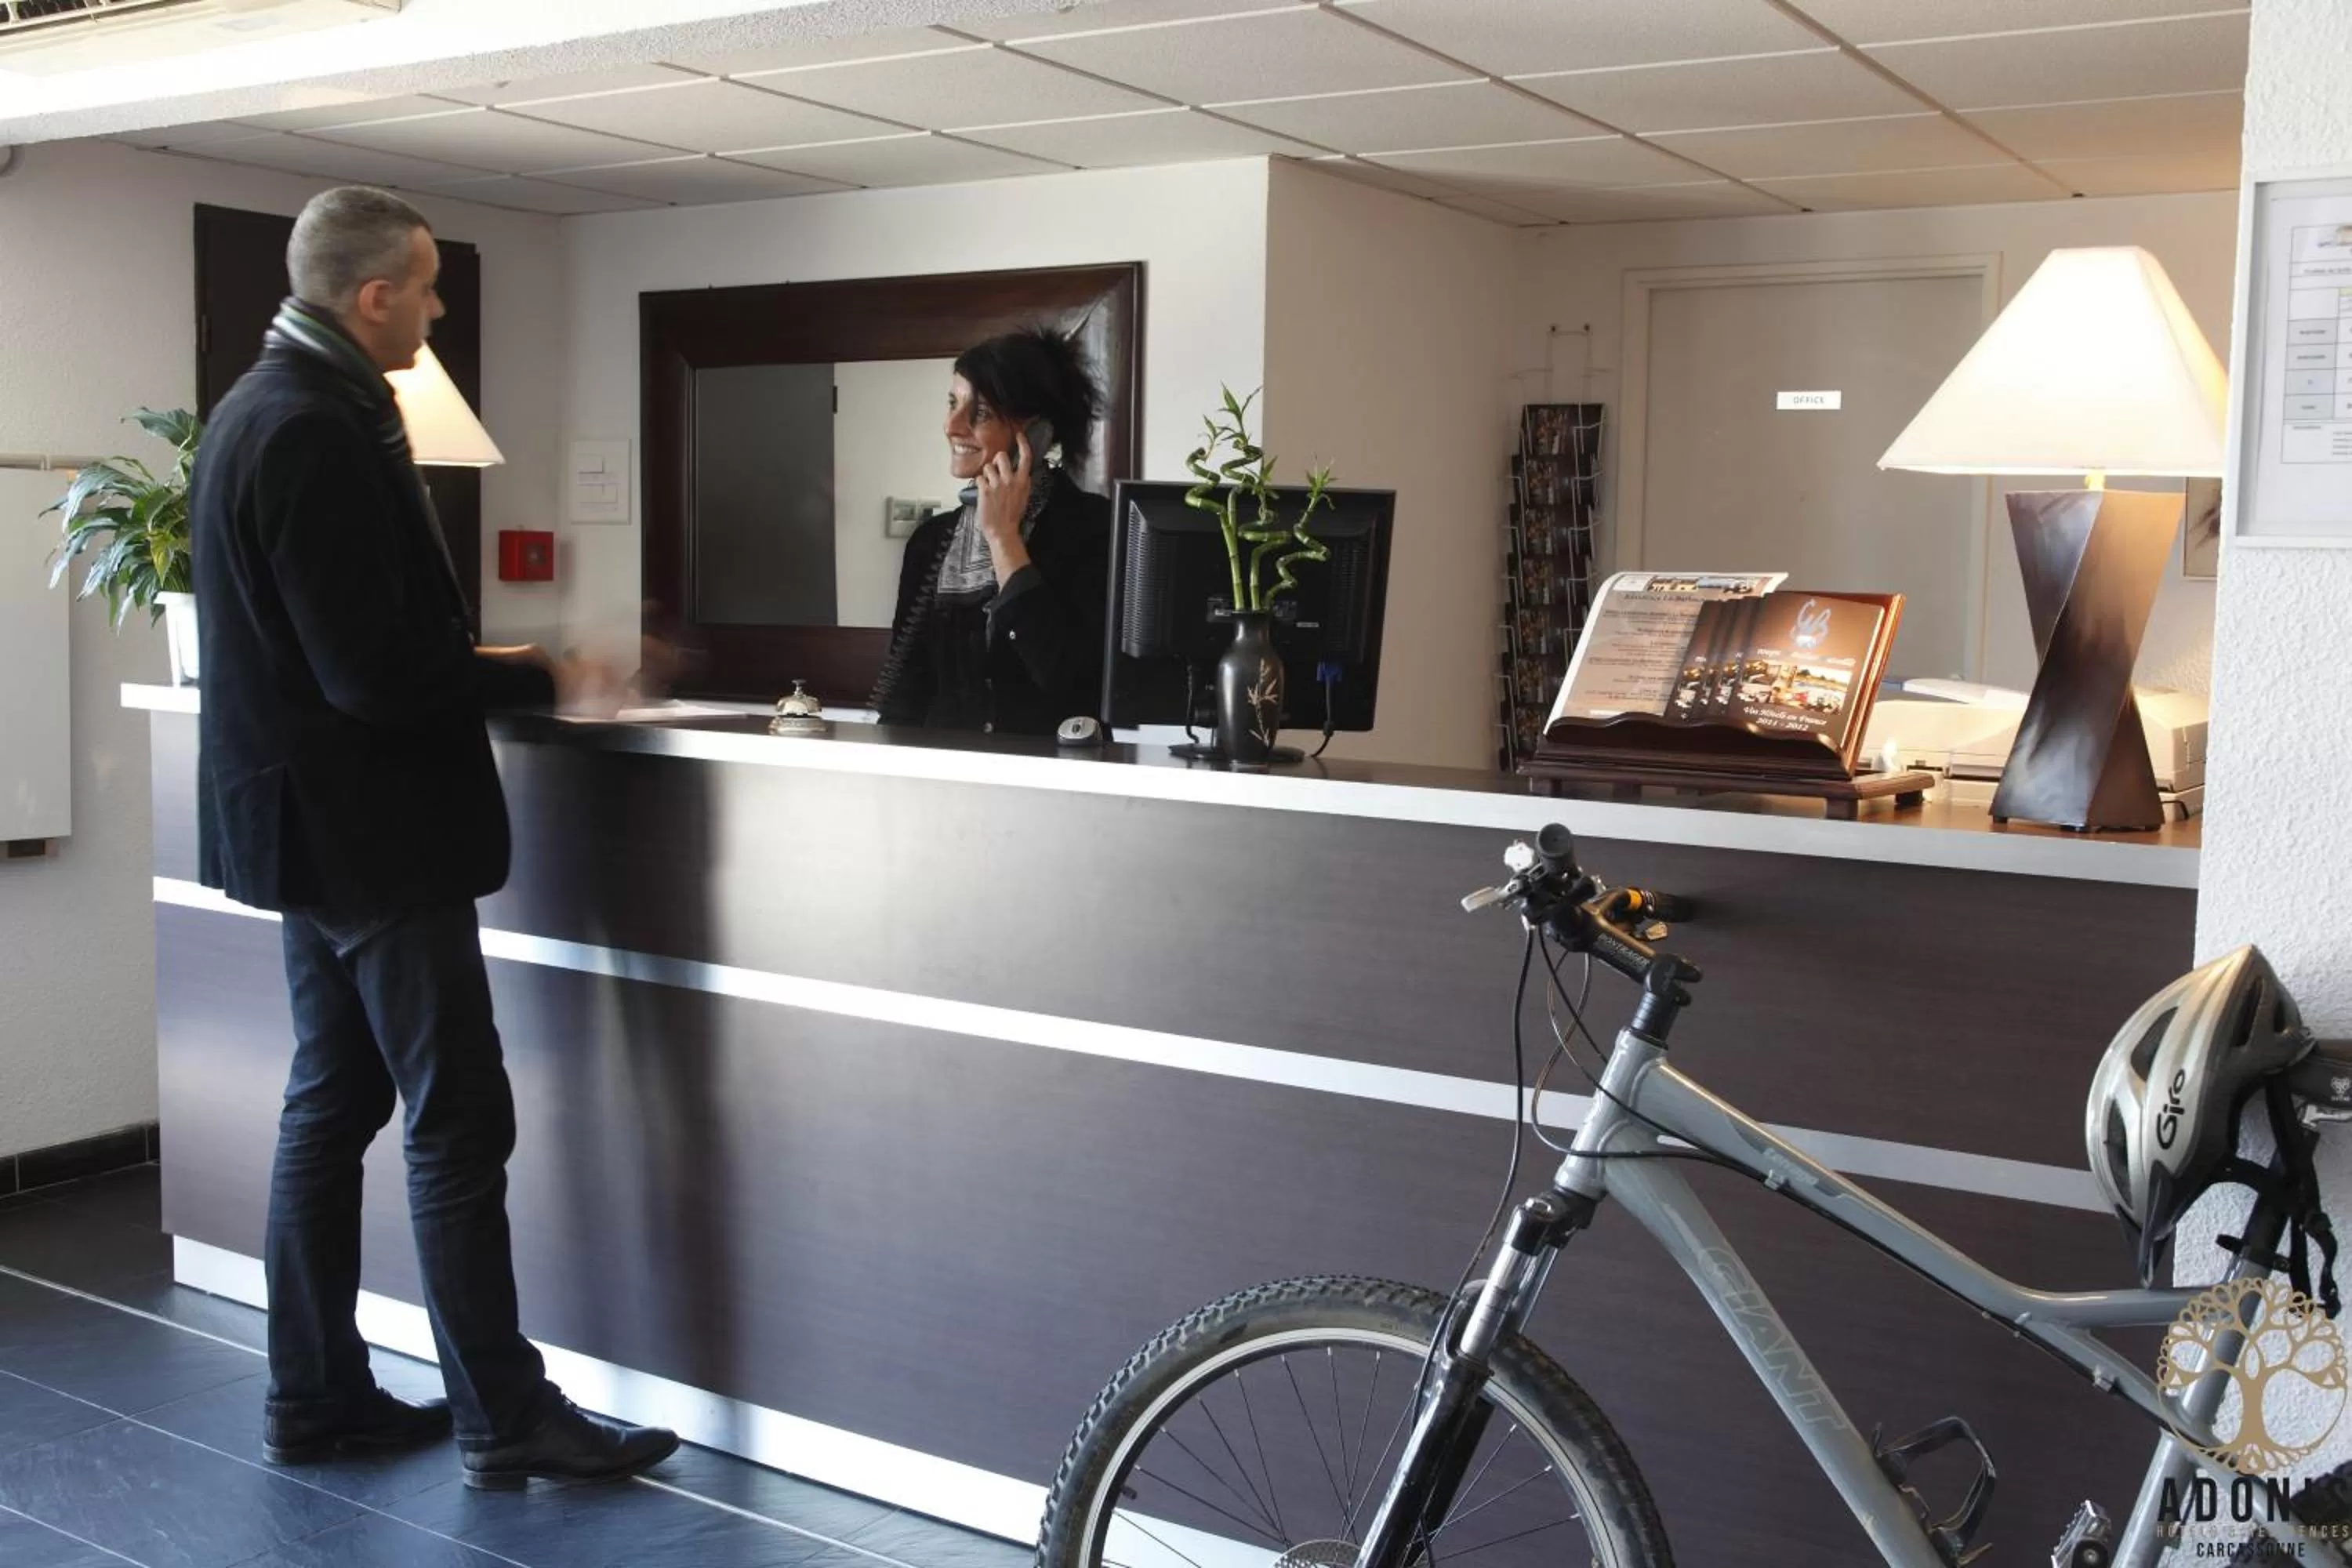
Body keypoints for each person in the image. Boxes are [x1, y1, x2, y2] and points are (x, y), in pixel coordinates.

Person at [189, 186, 679, 1490]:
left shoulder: (256, 409)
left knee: (333, 1102)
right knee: (456, 1120)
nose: (440, 307)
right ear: (374, 297)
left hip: (316, 839)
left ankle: (316, 1398)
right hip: (373, 840)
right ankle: (503, 1418)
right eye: (427, 285)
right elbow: (372, 672)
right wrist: (546, 673)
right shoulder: (313, 427)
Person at [869, 326, 1110, 736]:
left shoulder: (1094, 527)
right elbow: (907, 692)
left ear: (1036, 433)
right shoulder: (931, 541)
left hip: (1054, 768)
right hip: (947, 769)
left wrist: (1004, 539)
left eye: (980, 413)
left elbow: (1074, 681)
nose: (952, 426)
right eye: (953, 403)